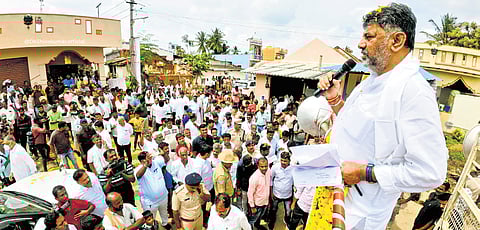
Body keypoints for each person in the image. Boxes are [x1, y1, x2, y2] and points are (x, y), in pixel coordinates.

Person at [316, 3, 448, 229]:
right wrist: (334, 100)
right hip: (336, 196)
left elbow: (431, 172)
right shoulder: (374, 79)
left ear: (396, 41)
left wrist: (364, 172)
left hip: (361, 214)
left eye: (369, 36)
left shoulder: (413, 91)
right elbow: (359, 128)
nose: (360, 44)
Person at [135, 151, 172, 230]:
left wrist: (162, 153)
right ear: (142, 161)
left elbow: (165, 160)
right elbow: (138, 175)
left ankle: (165, 223)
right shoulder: (138, 169)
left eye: (150, 156)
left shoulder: (156, 162)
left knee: (164, 213)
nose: (150, 158)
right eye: (148, 157)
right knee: (151, 219)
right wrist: (145, 165)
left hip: (163, 196)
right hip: (150, 202)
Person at [268, 151, 294, 229]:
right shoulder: (275, 167)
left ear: (289, 161)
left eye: (285, 161)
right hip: (276, 194)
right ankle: (271, 225)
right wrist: (271, 192)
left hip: (288, 195)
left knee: (288, 212)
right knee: (273, 210)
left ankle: (287, 222)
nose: (283, 162)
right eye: (281, 160)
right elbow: (270, 180)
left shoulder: (293, 169)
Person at [247, 157, 271, 230]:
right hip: (257, 204)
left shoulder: (268, 171)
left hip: (265, 202)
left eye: (266, 166)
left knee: (260, 217)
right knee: (253, 219)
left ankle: (257, 225)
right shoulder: (254, 178)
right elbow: (250, 193)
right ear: (258, 166)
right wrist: (252, 206)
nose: (264, 168)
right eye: (262, 166)